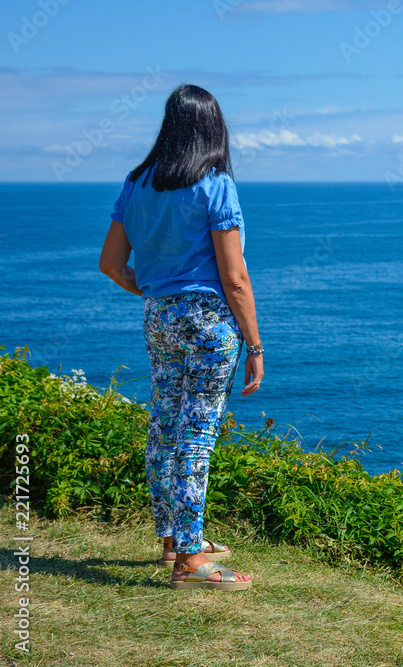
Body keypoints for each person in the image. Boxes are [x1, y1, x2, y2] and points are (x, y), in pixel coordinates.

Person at [99, 84, 261, 591]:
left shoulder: (137, 182)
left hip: (159, 316)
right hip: (210, 322)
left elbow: (110, 264)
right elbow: (234, 278)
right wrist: (255, 346)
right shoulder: (215, 183)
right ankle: (191, 560)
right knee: (197, 434)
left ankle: (174, 537)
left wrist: (154, 291)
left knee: (164, 424)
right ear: (212, 130)